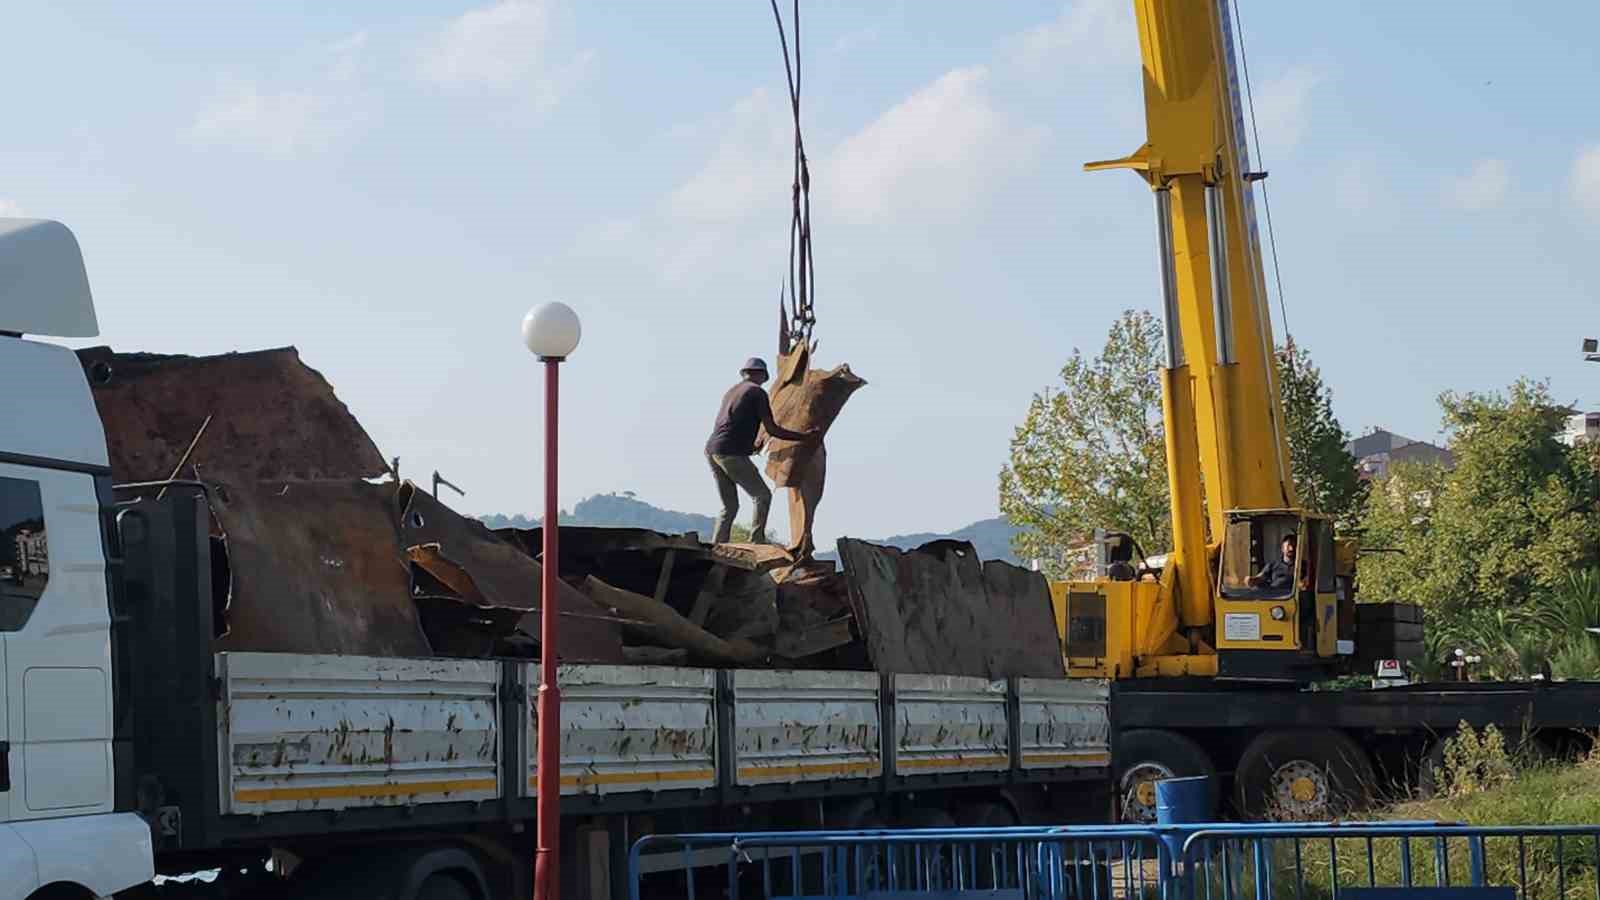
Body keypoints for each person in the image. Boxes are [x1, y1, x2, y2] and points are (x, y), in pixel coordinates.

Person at [705, 357, 818, 545]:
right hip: (730, 452)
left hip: (712, 450)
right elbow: (773, 429)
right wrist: (804, 437)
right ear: (762, 375)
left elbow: (731, 424)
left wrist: (750, 447)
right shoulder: (757, 393)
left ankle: (717, 545)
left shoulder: (732, 391)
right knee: (762, 496)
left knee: (729, 507)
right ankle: (756, 540)